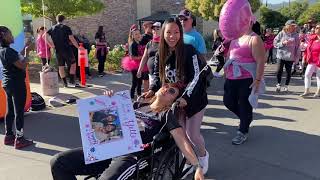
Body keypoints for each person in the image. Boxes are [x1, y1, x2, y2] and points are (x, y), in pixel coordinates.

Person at [50, 83, 204, 180]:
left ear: (174, 101)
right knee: (58, 162)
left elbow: (181, 139)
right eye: (165, 85)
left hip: (131, 156)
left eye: (172, 91)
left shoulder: (165, 114)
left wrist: (197, 166)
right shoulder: (136, 105)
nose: (166, 89)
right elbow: (105, 120)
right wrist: (107, 102)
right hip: (106, 148)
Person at [142, 17, 210, 177]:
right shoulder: (160, 52)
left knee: (193, 134)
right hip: (174, 99)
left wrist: (187, 97)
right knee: (179, 133)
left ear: (180, 33)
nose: (172, 36)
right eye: (168, 32)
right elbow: (158, 76)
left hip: (194, 98)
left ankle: (202, 156)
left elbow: (196, 77)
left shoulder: (189, 51)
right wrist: (152, 89)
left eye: (176, 32)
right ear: (163, 33)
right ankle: (188, 159)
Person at [223, 20, 266, 145]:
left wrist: (258, 80)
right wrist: (226, 73)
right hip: (231, 76)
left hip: (246, 78)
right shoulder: (235, 38)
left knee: (244, 105)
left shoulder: (255, 39)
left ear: (251, 22)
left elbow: (260, 61)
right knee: (228, 102)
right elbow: (229, 56)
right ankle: (246, 118)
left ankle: (242, 131)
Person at [0, 26, 34, 149]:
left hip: (8, 83)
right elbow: (22, 65)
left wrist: (25, 48)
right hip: (16, 84)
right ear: (3, 36)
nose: (12, 36)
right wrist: (28, 52)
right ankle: (19, 139)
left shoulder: (5, 50)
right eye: (10, 34)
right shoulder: (8, 51)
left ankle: (9, 136)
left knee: (10, 110)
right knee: (19, 111)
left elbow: (17, 58)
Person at [46, 14, 80, 87]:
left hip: (58, 50)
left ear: (57, 20)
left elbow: (44, 36)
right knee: (73, 64)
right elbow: (72, 39)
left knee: (61, 66)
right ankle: (71, 81)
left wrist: (51, 45)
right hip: (67, 49)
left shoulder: (52, 28)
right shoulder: (66, 28)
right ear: (63, 20)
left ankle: (65, 83)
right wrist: (78, 47)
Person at [273, 20, 300, 92]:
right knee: (279, 71)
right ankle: (278, 84)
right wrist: (283, 43)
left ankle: (286, 86)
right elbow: (275, 43)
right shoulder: (281, 33)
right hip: (281, 56)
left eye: (294, 26)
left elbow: (297, 47)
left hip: (290, 57)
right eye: (292, 25)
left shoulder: (296, 35)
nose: (293, 27)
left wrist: (297, 58)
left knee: (288, 72)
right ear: (288, 26)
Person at [122, 24, 145, 99]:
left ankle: (138, 95)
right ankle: (131, 97)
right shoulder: (133, 44)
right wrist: (143, 57)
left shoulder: (139, 42)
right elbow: (132, 57)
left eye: (139, 34)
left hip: (140, 64)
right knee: (134, 82)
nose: (138, 35)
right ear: (133, 36)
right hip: (134, 65)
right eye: (136, 34)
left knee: (140, 82)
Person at [300, 24, 320, 97]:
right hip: (311, 60)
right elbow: (308, 48)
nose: (316, 29)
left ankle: (318, 92)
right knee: (307, 74)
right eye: (316, 28)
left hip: (319, 61)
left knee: (319, 76)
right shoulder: (312, 38)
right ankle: (307, 91)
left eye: (318, 28)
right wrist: (305, 56)